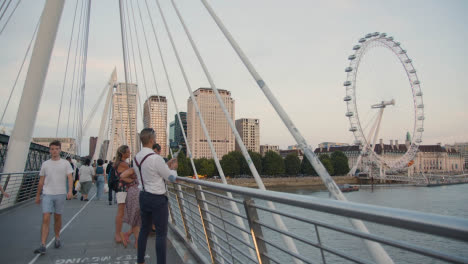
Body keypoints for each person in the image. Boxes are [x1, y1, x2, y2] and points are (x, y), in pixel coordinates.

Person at [132, 128, 178, 264]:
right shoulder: (155, 158)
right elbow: (170, 177)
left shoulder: (136, 158)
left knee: (144, 230)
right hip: (157, 198)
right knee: (161, 234)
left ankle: (140, 260)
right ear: (152, 140)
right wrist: (173, 169)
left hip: (143, 196)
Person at [33, 140, 73, 255]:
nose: (54, 151)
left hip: (60, 194)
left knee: (57, 218)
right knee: (46, 218)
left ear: (60, 150)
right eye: (52, 149)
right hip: (47, 194)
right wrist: (37, 195)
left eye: (56, 149)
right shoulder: (45, 164)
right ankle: (43, 245)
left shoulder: (65, 163)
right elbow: (41, 181)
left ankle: (57, 237)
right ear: (49, 150)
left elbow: (70, 177)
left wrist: (70, 191)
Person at [120, 164, 141, 248]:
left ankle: (127, 234)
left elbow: (123, 176)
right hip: (138, 194)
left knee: (137, 217)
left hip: (134, 192)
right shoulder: (142, 168)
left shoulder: (136, 169)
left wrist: (132, 181)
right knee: (138, 218)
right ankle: (137, 241)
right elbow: (122, 175)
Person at [113, 145, 131, 245]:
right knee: (121, 212)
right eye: (128, 152)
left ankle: (121, 234)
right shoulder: (123, 164)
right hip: (123, 189)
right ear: (123, 153)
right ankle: (118, 234)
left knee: (122, 212)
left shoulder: (118, 163)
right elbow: (131, 174)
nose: (129, 153)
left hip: (122, 189)